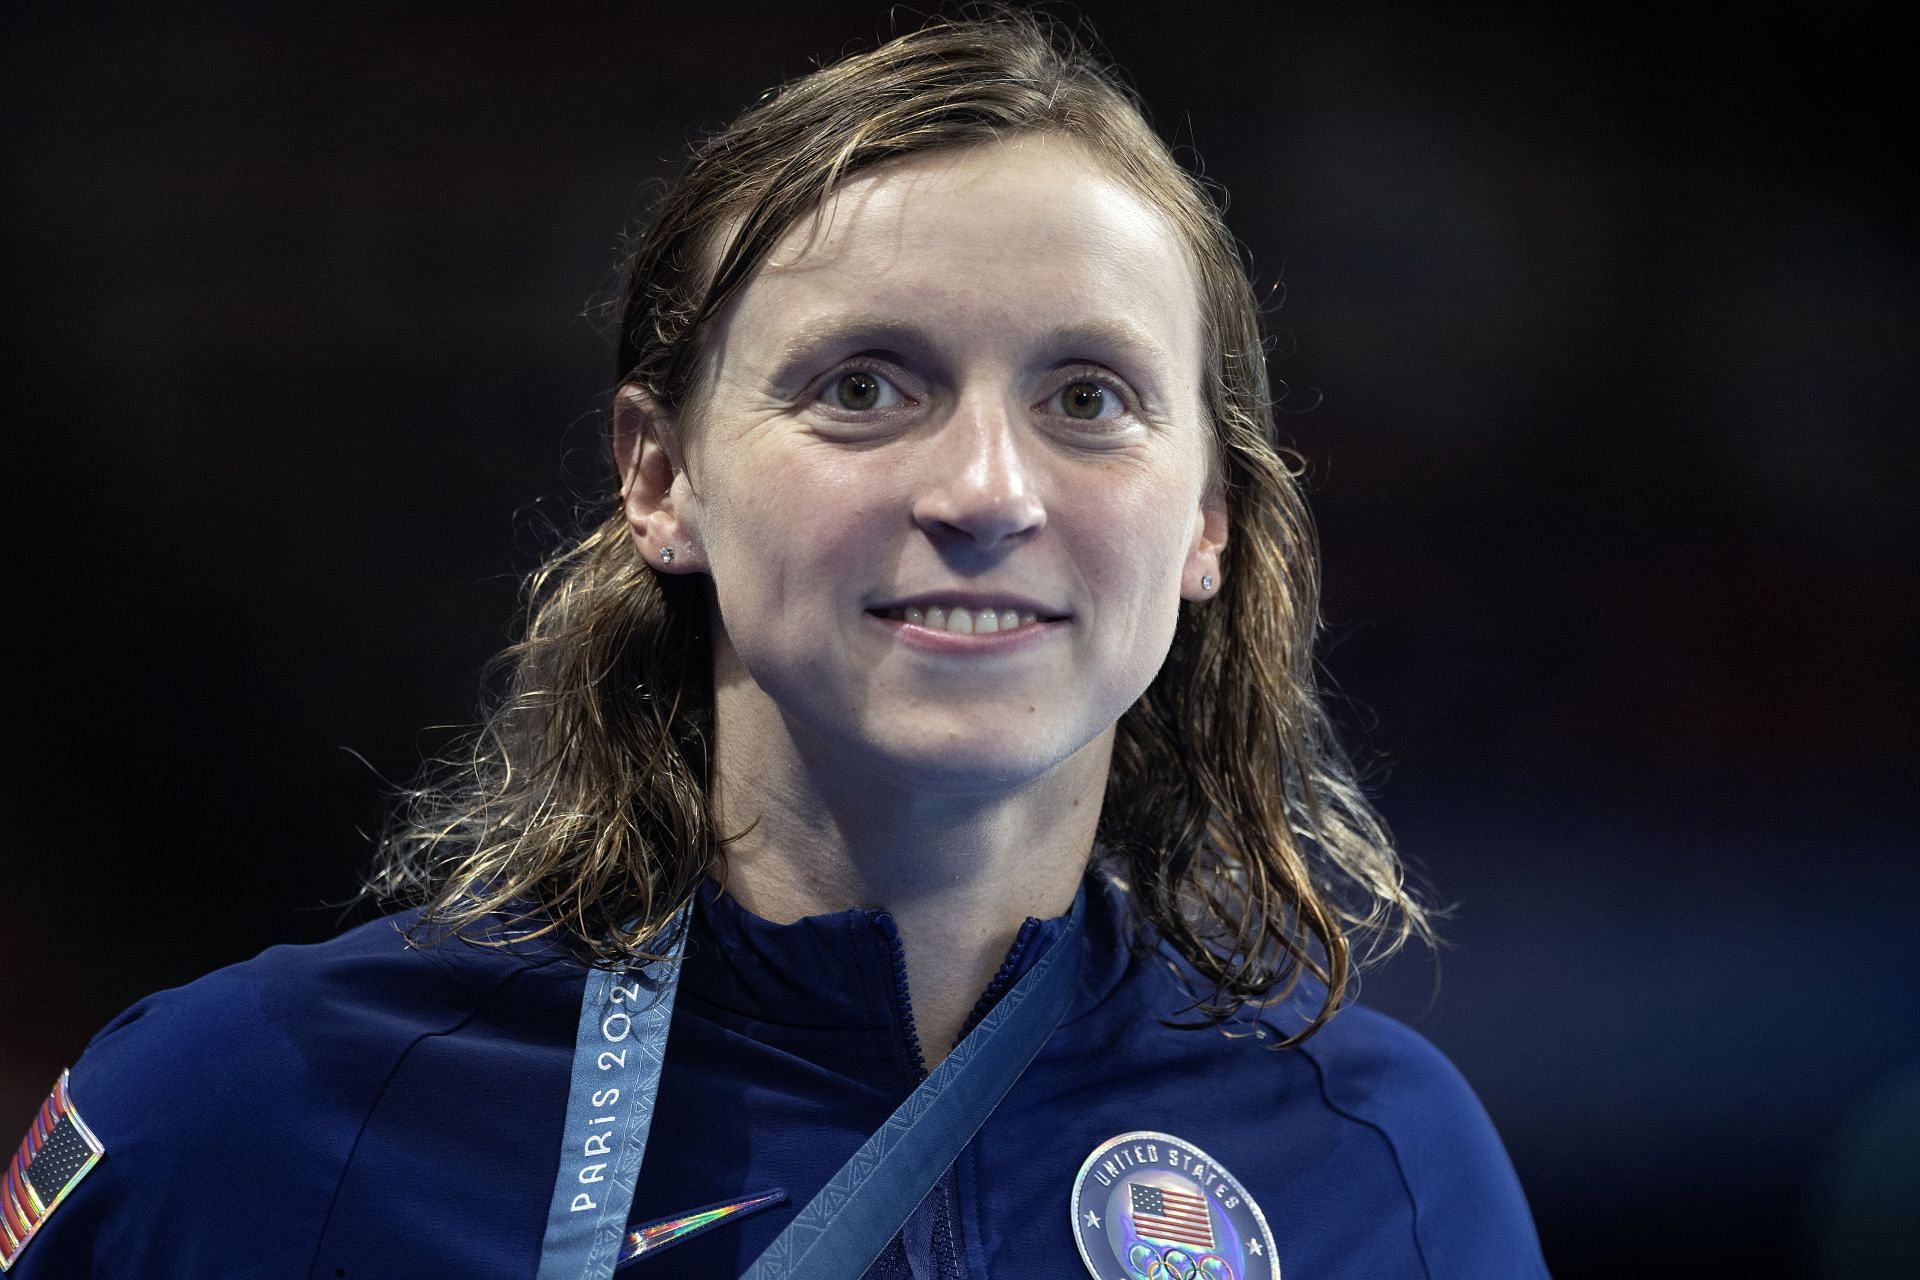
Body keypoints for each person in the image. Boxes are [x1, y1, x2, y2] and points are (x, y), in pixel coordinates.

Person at [4, 7, 1549, 1278]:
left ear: (1206, 517)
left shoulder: (1389, 1175)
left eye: (1087, 398)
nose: (986, 492)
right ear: (661, 479)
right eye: (865, 388)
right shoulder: (252, 1121)